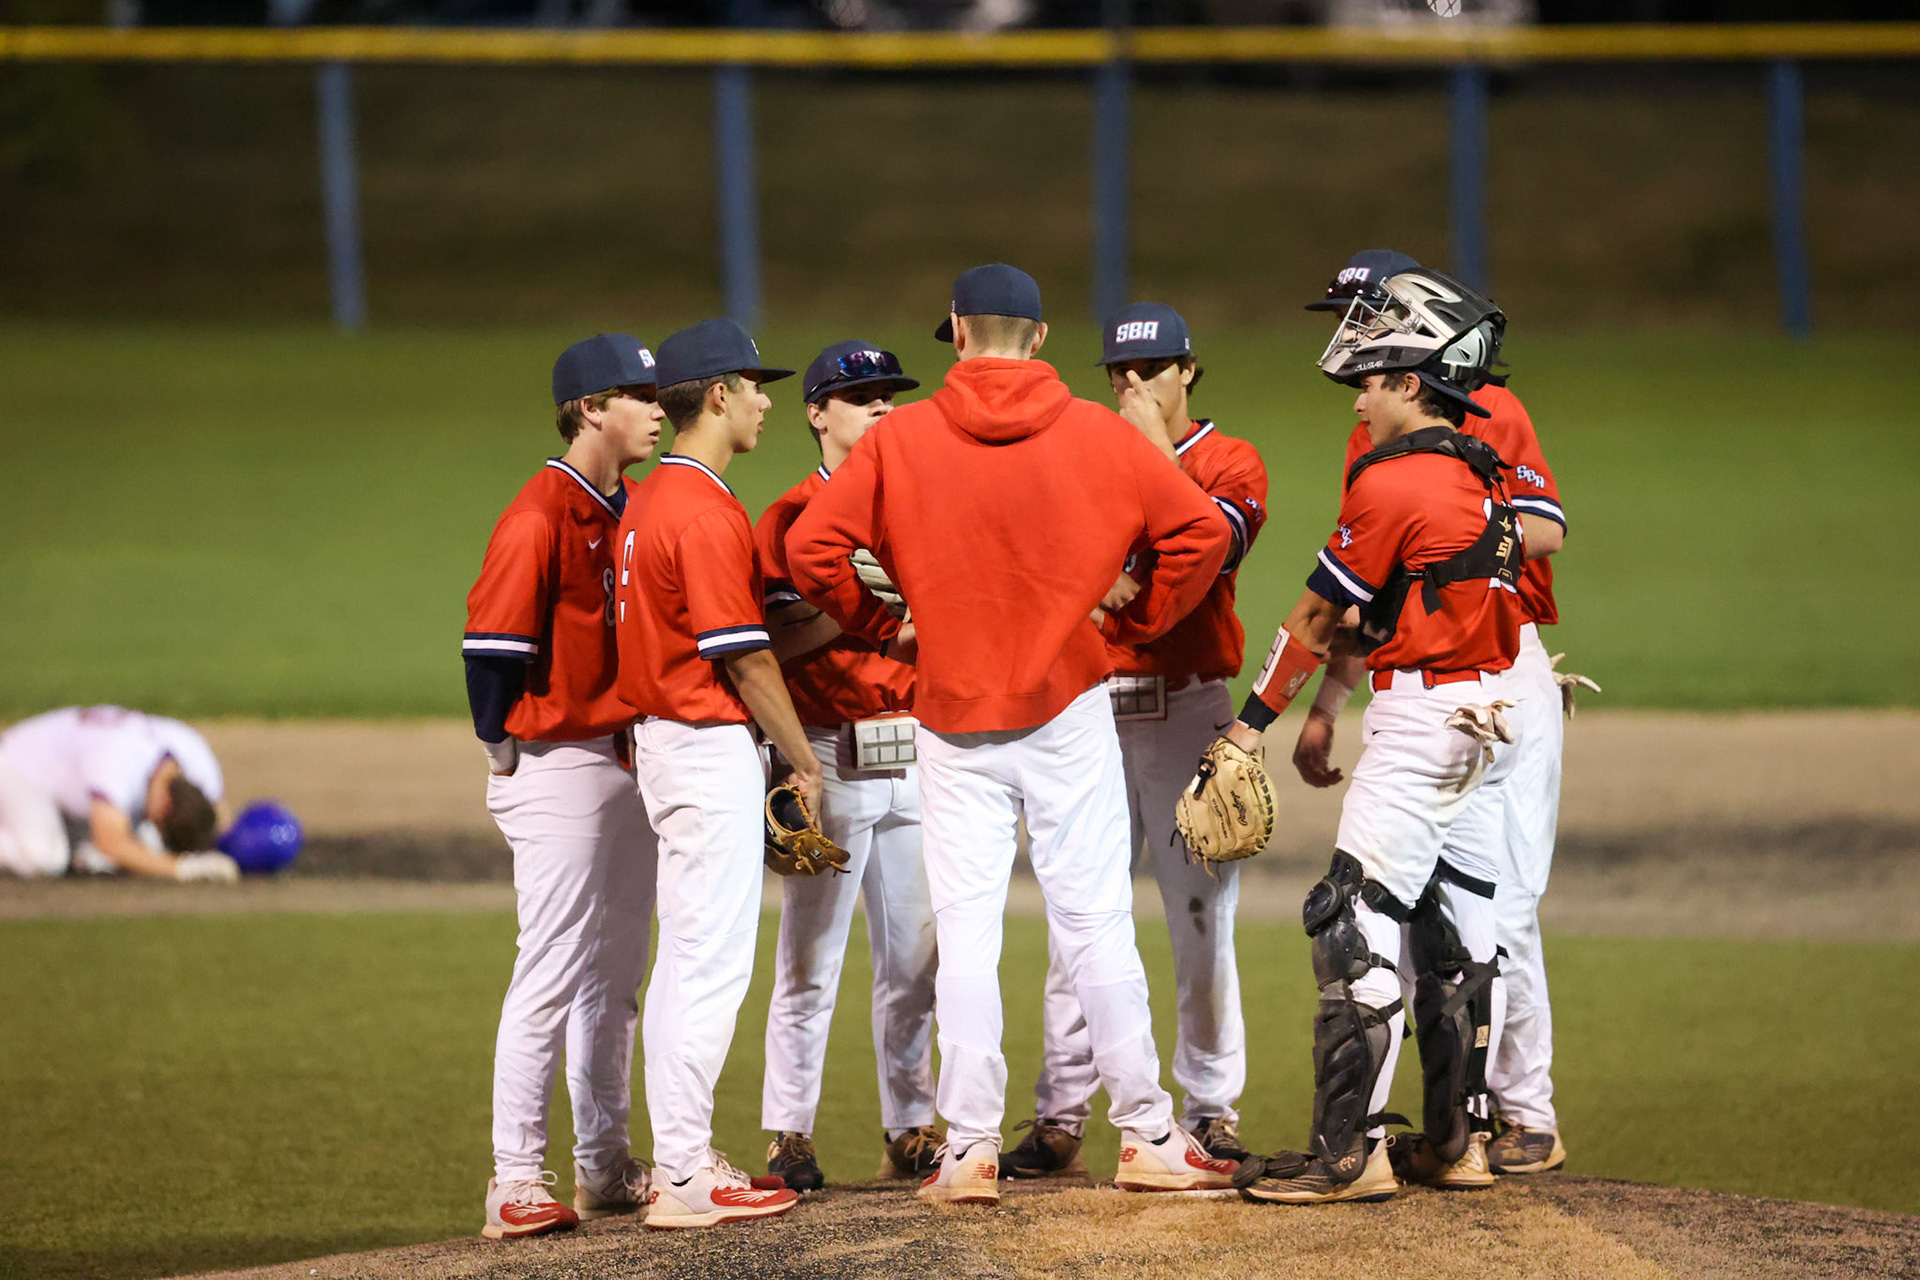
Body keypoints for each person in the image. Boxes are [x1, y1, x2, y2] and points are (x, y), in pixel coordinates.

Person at [786, 264, 1240, 1204]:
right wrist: (1133, 622)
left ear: (956, 332)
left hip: (951, 712)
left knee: (968, 932)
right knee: (1095, 922)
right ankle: (1150, 1133)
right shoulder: (1095, 432)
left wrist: (887, 628)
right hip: (1068, 704)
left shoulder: (900, 438)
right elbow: (1198, 532)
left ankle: (971, 1148)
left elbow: (811, 549)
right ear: (1038, 339)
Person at [1217, 268, 1531, 1205]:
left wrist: (1246, 731)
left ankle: (1345, 1157)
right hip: (1488, 718)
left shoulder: (1395, 486)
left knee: (1352, 924)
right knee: (1455, 931)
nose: (1360, 396)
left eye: (1373, 379)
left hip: (1426, 720)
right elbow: (1399, 614)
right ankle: (1454, 1141)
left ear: (1408, 384)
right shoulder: (1478, 474)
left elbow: (1316, 619)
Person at [1295, 251, 1572, 1175]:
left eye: (1356, 313)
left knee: (1496, 903)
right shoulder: (1374, 424)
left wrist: (1458, 534)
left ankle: (1520, 1112)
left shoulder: (1478, 408)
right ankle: (1456, 1130)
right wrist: (1332, 700)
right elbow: (1371, 597)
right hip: (1414, 672)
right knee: (1435, 912)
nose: (1346, 336)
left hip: (1498, 662)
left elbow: (1545, 528)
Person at [1005, 304, 1270, 1178]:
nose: (1130, 387)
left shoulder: (1233, 462)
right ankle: (1059, 1112)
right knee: (1079, 909)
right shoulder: (1083, 457)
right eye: (1119, 374)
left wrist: (1146, 454)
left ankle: (1212, 1107)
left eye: (1150, 370)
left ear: (1188, 371)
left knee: (1201, 915)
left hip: (1188, 706)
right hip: (1087, 702)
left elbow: (1203, 545)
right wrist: (1094, 578)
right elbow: (1053, 564)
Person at [462, 332, 664, 1239]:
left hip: (624, 760)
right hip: (559, 766)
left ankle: (605, 1166)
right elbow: (490, 657)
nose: (659, 408)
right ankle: (513, 1178)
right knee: (549, 972)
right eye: (638, 394)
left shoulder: (628, 505)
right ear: (591, 408)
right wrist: (505, 753)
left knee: (615, 979)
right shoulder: (540, 514)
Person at [613, 318, 810, 1230]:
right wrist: (802, 759)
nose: (768, 399)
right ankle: (685, 1173)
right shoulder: (701, 508)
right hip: (699, 742)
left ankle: (682, 1160)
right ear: (718, 394)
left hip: (667, 740)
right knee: (707, 963)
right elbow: (748, 659)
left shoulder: (651, 499)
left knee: (695, 959)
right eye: (755, 385)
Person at [755, 341, 943, 1190]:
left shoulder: (923, 506)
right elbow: (772, 643)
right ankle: (787, 1133)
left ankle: (911, 1124)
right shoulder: (791, 519)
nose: (879, 408)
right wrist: (869, 609)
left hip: (919, 755)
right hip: (829, 753)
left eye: (888, 395)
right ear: (816, 412)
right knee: (810, 958)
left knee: (916, 960)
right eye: (859, 395)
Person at [0, 705, 233, 881]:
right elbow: (110, 840)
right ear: (167, 802)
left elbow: (220, 816)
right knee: (44, 858)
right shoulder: (120, 760)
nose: (155, 822)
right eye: (162, 822)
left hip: (67, 788)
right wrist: (183, 868)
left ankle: (72, 838)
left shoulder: (197, 759)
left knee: (137, 846)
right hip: (19, 767)